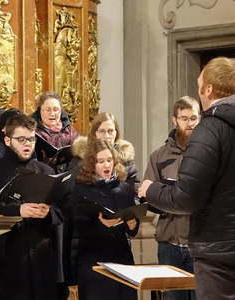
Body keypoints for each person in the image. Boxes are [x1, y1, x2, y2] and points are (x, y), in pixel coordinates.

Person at [138, 56, 235, 300]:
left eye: (199, 82)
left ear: (208, 89)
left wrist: (151, 190)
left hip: (219, 253)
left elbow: (187, 198)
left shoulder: (211, 127)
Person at [0, 114, 63, 300]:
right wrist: (17, 211)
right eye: (21, 139)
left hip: (41, 255)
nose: (27, 144)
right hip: (7, 256)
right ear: (7, 140)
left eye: (31, 139)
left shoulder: (46, 171)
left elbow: (60, 213)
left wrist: (48, 213)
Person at [143, 96, 200, 300]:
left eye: (194, 118)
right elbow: (147, 196)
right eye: (184, 118)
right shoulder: (158, 156)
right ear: (174, 120)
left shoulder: (208, 153)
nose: (190, 123)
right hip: (169, 245)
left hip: (200, 244)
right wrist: (171, 198)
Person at [72, 139, 139, 300]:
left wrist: (132, 225)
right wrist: (100, 225)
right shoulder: (80, 189)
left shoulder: (125, 189)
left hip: (121, 257)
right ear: (91, 164)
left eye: (109, 160)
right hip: (93, 260)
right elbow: (76, 227)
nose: (106, 165)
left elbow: (132, 227)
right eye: (100, 161)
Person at [71, 112, 139, 187]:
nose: (106, 136)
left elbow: (135, 191)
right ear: (94, 134)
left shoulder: (126, 160)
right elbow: (73, 189)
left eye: (110, 131)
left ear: (116, 133)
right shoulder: (80, 159)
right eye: (102, 131)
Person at [30, 91, 78, 173]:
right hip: (43, 174)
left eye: (56, 110)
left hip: (67, 172)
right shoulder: (31, 130)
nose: (52, 114)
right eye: (48, 110)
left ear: (61, 111)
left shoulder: (69, 129)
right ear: (40, 111)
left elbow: (79, 154)